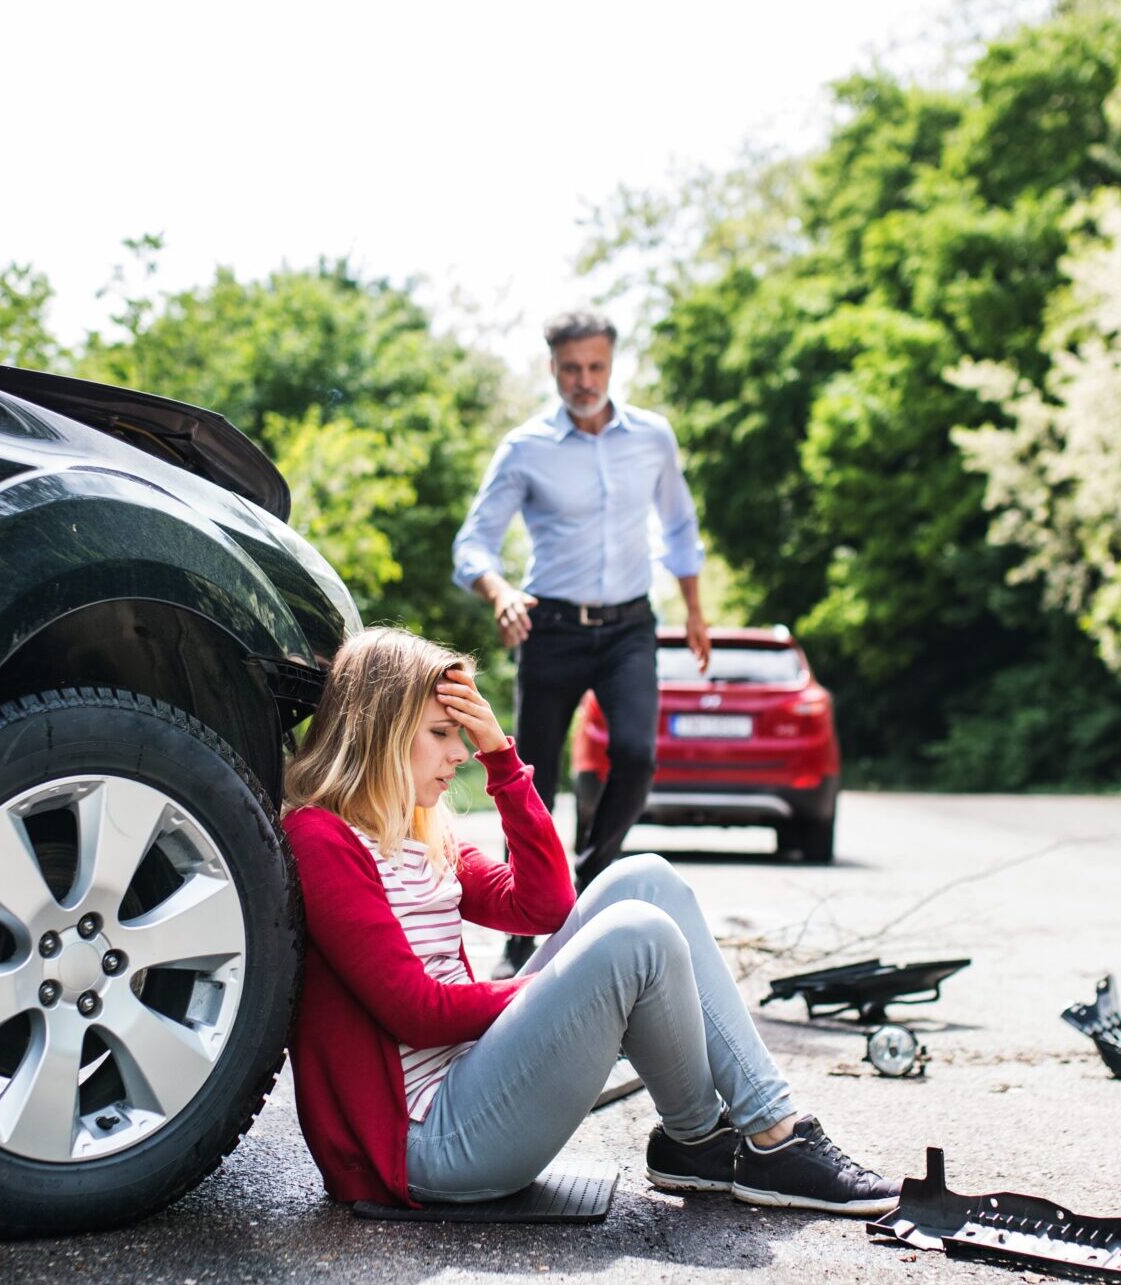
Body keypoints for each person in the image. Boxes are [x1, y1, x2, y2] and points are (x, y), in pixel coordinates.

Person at [281, 627, 900, 1215]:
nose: (459, 752)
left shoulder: (419, 835)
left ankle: (707, 1141)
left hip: (470, 1088)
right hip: (424, 1146)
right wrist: (564, 991)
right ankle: (762, 1140)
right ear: (381, 732)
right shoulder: (321, 840)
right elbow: (413, 1010)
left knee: (645, 879)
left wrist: (503, 759)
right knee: (634, 936)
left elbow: (543, 906)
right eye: (442, 733)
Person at [453, 308, 711, 976]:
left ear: (612, 363)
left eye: (595, 367)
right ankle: (519, 930)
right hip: (552, 628)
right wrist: (500, 592)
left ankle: (582, 891)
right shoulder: (526, 447)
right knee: (529, 777)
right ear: (553, 368)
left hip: (629, 626)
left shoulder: (652, 437)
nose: (584, 380)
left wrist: (693, 610)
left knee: (637, 756)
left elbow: (680, 528)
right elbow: (472, 543)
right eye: (571, 368)